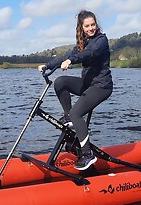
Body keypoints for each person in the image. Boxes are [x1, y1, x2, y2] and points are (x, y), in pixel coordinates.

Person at [38, 10, 113, 170]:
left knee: (76, 113)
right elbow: (67, 55)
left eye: (93, 25)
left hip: (101, 86)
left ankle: (87, 154)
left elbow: (89, 54)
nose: (91, 28)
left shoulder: (101, 40)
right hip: (88, 84)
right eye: (87, 26)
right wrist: (48, 65)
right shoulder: (83, 42)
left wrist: (72, 60)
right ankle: (69, 117)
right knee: (61, 82)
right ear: (82, 28)